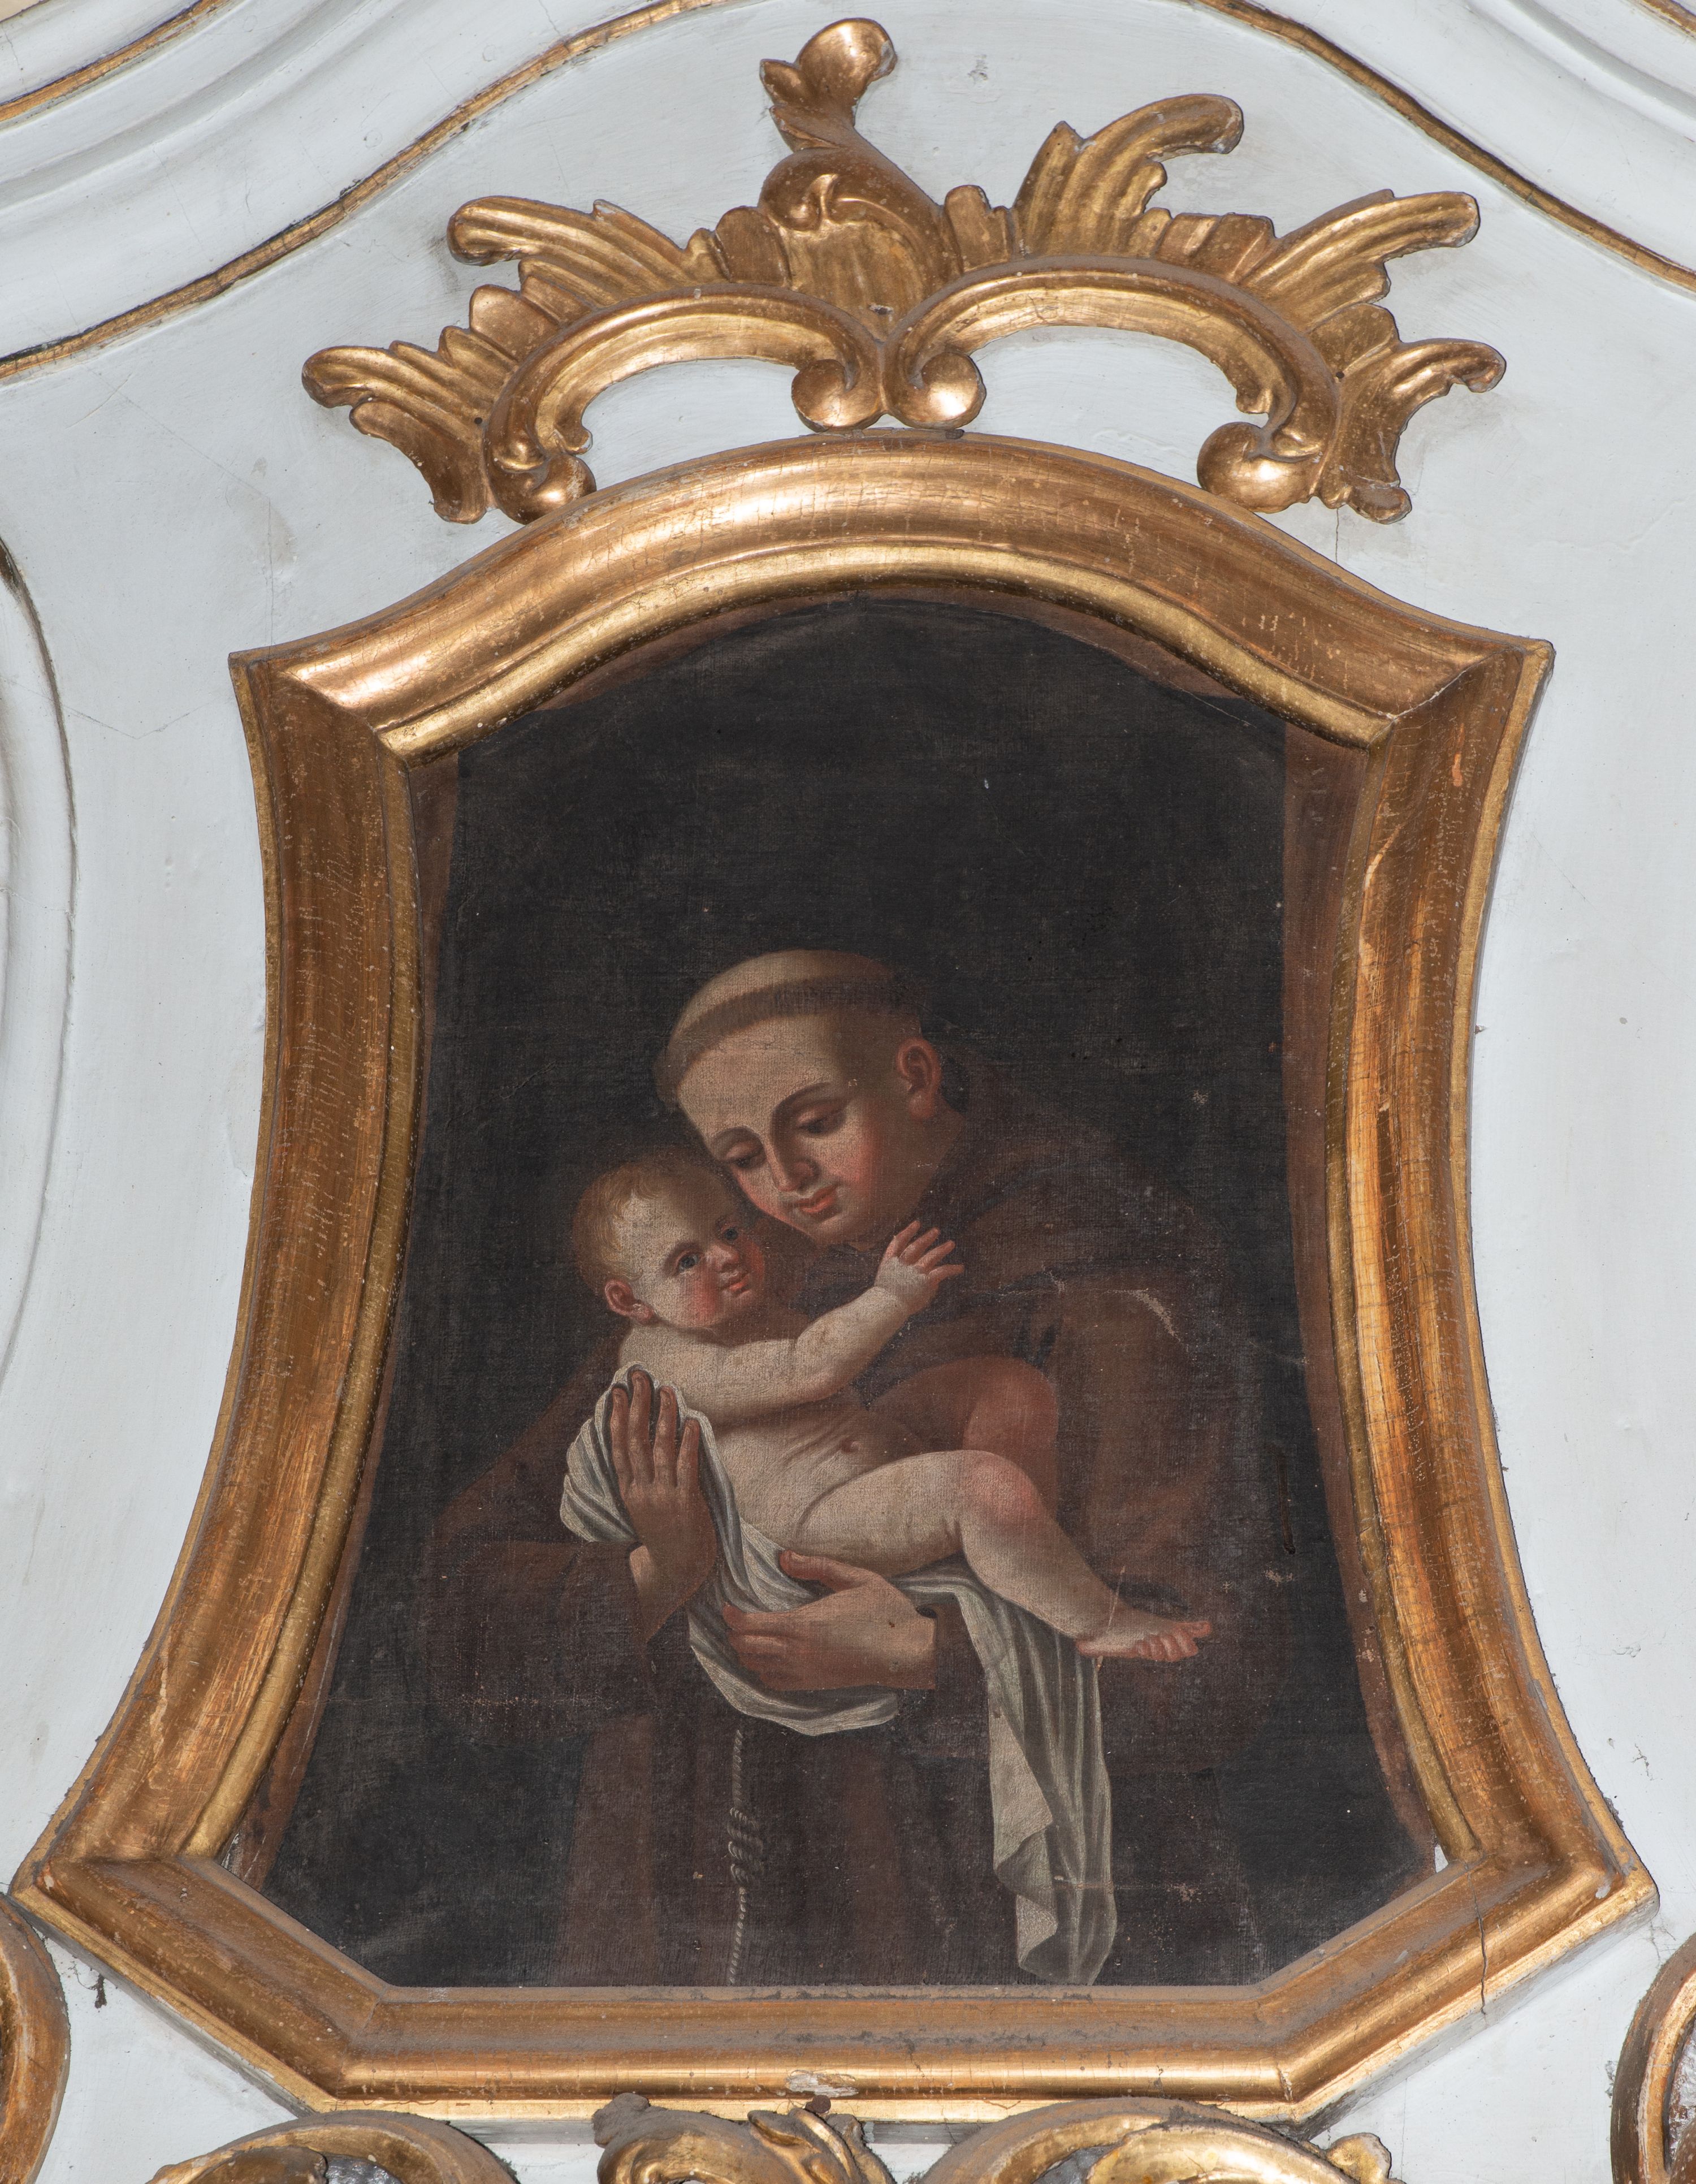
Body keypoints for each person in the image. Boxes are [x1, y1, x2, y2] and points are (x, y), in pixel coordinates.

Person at [428, 949, 1287, 1983]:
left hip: (950, 1900)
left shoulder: (1102, 1265)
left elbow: (1214, 1673)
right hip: (687, 1884)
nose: (787, 1183)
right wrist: (658, 1575)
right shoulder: (717, 1279)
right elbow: (465, 1599)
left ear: (915, 1075)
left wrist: (925, 1656)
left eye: (817, 1120)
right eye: (743, 1156)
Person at [564, 1148, 1211, 1660]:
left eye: (729, 1230)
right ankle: (1094, 1619)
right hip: (815, 1520)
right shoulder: (662, 1361)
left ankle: (1027, 1559)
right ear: (629, 1300)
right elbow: (810, 1366)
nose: (729, 1256)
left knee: (1005, 1390)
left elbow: (793, 1254)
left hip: (862, 1450)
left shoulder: (732, 1306)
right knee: (981, 1487)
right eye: (687, 1260)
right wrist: (892, 1296)